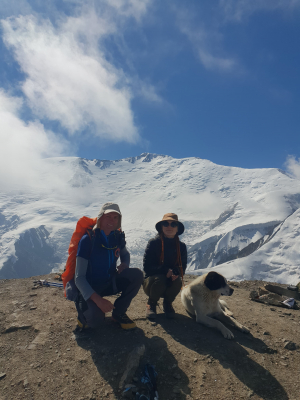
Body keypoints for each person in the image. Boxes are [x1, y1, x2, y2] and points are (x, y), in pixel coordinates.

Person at [74, 202, 143, 330]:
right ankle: (83, 312)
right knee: (95, 322)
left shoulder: (117, 236)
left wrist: (124, 264)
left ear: (119, 220)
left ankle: (119, 313)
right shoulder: (88, 240)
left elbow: (125, 254)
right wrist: (99, 300)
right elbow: (79, 278)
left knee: (137, 275)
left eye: (115, 217)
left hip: (110, 282)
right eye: (108, 216)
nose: (112, 220)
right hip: (90, 286)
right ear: (100, 218)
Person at [143, 213, 187, 319]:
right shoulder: (154, 243)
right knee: (161, 278)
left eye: (173, 224)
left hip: (170, 281)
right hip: (152, 282)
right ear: (161, 227)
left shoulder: (181, 246)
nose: (169, 227)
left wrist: (175, 273)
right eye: (165, 223)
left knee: (178, 280)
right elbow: (147, 267)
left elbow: (182, 268)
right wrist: (164, 270)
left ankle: (167, 303)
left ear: (177, 229)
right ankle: (151, 303)